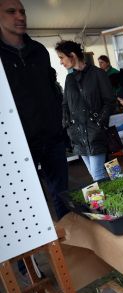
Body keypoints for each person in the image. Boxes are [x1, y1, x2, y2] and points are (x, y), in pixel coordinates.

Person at [0, 0, 69, 220]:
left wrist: (60, 125)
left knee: (63, 195)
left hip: (52, 137)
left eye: (22, 11)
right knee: (26, 202)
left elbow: (52, 89)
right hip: (17, 144)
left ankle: (74, 242)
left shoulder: (38, 51)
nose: (19, 16)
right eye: (11, 12)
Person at [56, 40, 114, 181]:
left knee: (97, 174)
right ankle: (111, 199)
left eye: (62, 57)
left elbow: (110, 101)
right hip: (77, 134)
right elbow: (65, 104)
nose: (61, 62)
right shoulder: (69, 78)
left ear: (72, 55)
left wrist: (99, 123)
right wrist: (67, 125)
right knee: (96, 173)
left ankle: (103, 203)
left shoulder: (98, 74)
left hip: (95, 133)